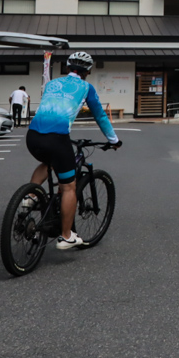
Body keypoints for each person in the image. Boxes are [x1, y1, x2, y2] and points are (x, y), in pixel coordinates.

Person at [25, 52, 121, 250]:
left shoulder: (52, 84)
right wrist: (114, 140)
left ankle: (30, 197)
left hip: (32, 136)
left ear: (67, 68)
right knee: (68, 186)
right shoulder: (86, 87)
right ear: (88, 71)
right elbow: (100, 116)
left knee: (48, 163)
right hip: (57, 139)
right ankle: (66, 236)